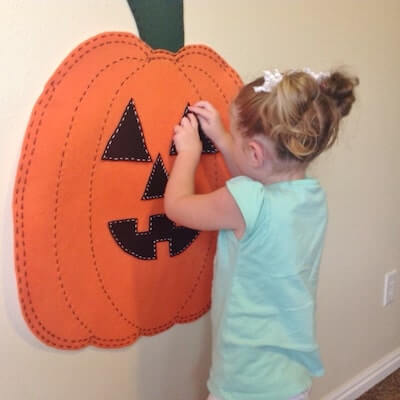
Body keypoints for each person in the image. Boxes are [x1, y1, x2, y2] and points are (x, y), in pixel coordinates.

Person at [164, 68, 359, 400]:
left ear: (255, 153)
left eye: (239, 143)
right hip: (292, 378)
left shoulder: (243, 202)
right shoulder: (311, 198)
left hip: (246, 382)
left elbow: (178, 207)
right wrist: (226, 139)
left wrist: (189, 154)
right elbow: (262, 183)